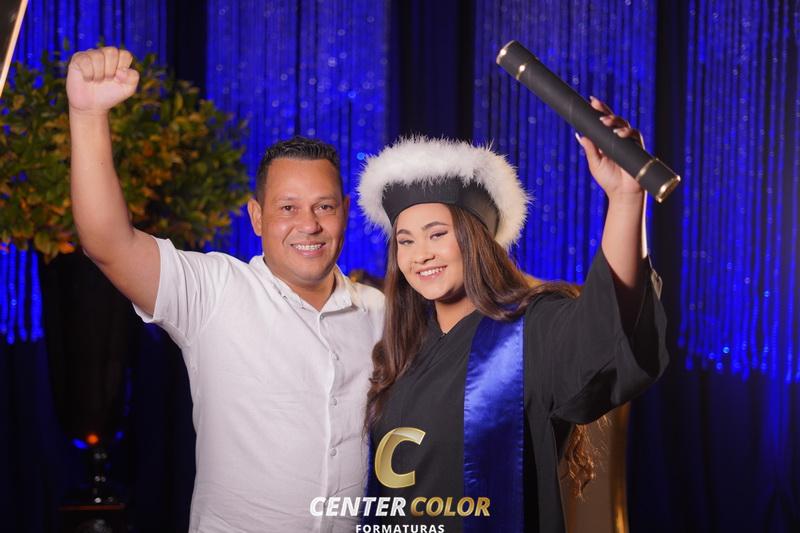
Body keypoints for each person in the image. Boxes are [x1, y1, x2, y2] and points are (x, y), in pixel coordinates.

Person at [67, 46, 384, 532]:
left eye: (324, 207)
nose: (309, 225)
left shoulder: (379, 312)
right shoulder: (214, 291)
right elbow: (106, 242)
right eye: (288, 208)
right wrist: (88, 115)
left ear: (344, 210)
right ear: (257, 216)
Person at [357, 99, 669, 533]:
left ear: (475, 239)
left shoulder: (531, 330)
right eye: (405, 241)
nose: (420, 254)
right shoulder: (399, 347)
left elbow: (605, 334)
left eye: (437, 234)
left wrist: (625, 199)